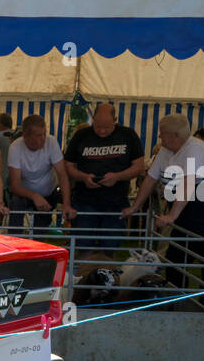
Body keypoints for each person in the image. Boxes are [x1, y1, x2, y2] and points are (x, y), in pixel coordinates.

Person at [120, 114, 204, 291]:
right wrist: (135, 206)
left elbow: (189, 184)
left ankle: (189, 302)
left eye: (162, 133)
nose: (159, 137)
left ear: (176, 135)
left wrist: (172, 215)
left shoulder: (195, 149)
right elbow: (151, 178)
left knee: (191, 254)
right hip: (184, 209)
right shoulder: (166, 149)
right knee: (175, 257)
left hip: (198, 207)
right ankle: (175, 298)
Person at [64, 103, 146, 252]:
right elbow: (68, 166)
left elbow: (139, 167)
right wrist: (83, 177)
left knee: (110, 245)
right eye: (97, 126)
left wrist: (118, 177)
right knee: (82, 245)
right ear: (93, 118)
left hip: (116, 202)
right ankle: (84, 273)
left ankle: (106, 272)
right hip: (85, 201)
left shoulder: (128, 135)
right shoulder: (81, 135)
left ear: (115, 120)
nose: (101, 131)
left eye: (106, 127)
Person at [7, 113, 75, 232]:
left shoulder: (52, 142)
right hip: (25, 194)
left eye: (44, 133)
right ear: (26, 136)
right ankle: (14, 240)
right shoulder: (15, 148)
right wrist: (34, 196)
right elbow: (15, 186)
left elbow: (62, 175)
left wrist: (66, 204)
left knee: (40, 230)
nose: (43, 138)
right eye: (38, 135)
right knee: (16, 203)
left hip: (49, 193)